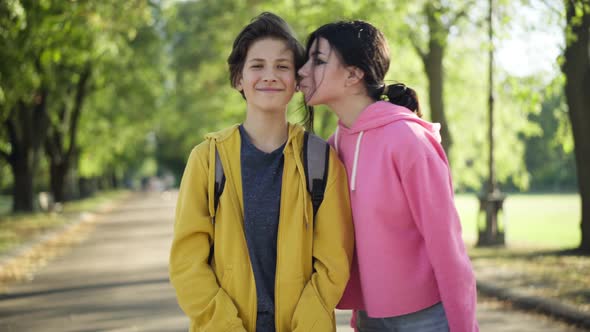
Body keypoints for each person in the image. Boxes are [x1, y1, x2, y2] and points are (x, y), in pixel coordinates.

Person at [169, 12, 354, 332]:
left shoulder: (320, 160)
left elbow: (332, 264)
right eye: (257, 65)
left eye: (282, 66)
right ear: (239, 78)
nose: (270, 75)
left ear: (297, 82)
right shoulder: (207, 160)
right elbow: (188, 263)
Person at [298, 20, 479, 332]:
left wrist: (465, 327)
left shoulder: (408, 140)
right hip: (371, 317)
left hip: (427, 318)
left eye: (318, 60)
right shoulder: (334, 146)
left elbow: (447, 246)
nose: (302, 70)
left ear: (354, 75)